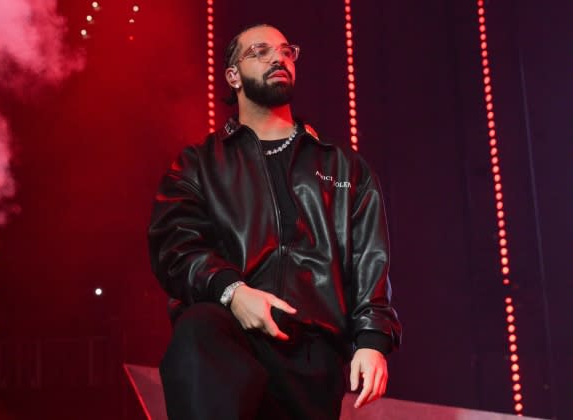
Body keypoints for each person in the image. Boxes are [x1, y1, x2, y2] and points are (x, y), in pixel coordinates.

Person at [148, 23, 401, 420]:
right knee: (199, 326)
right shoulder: (199, 165)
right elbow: (175, 246)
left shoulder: (344, 167)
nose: (277, 58)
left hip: (313, 353)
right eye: (260, 51)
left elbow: (371, 258)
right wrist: (233, 291)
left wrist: (372, 341)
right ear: (233, 76)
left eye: (285, 51)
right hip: (231, 334)